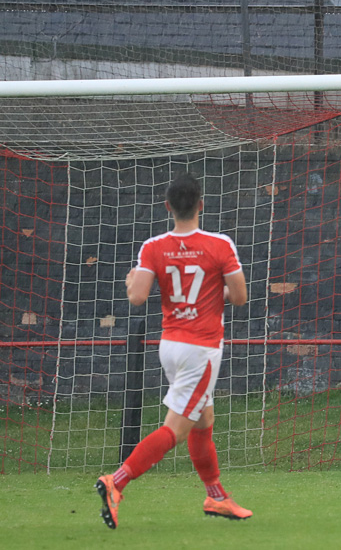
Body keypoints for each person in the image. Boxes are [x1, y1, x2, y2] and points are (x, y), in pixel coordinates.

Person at [95, 172, 252, 529]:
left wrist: (130, 280)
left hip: (170, 345)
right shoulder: (220, 245)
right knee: (176, 430)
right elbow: (240, 297)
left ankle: (216, 496)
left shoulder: (153, 246)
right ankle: (115, 483)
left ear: (168, 207)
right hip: (202, 349)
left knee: (203, 420)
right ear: (200, 204)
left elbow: (137, 297)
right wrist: (215, 294)